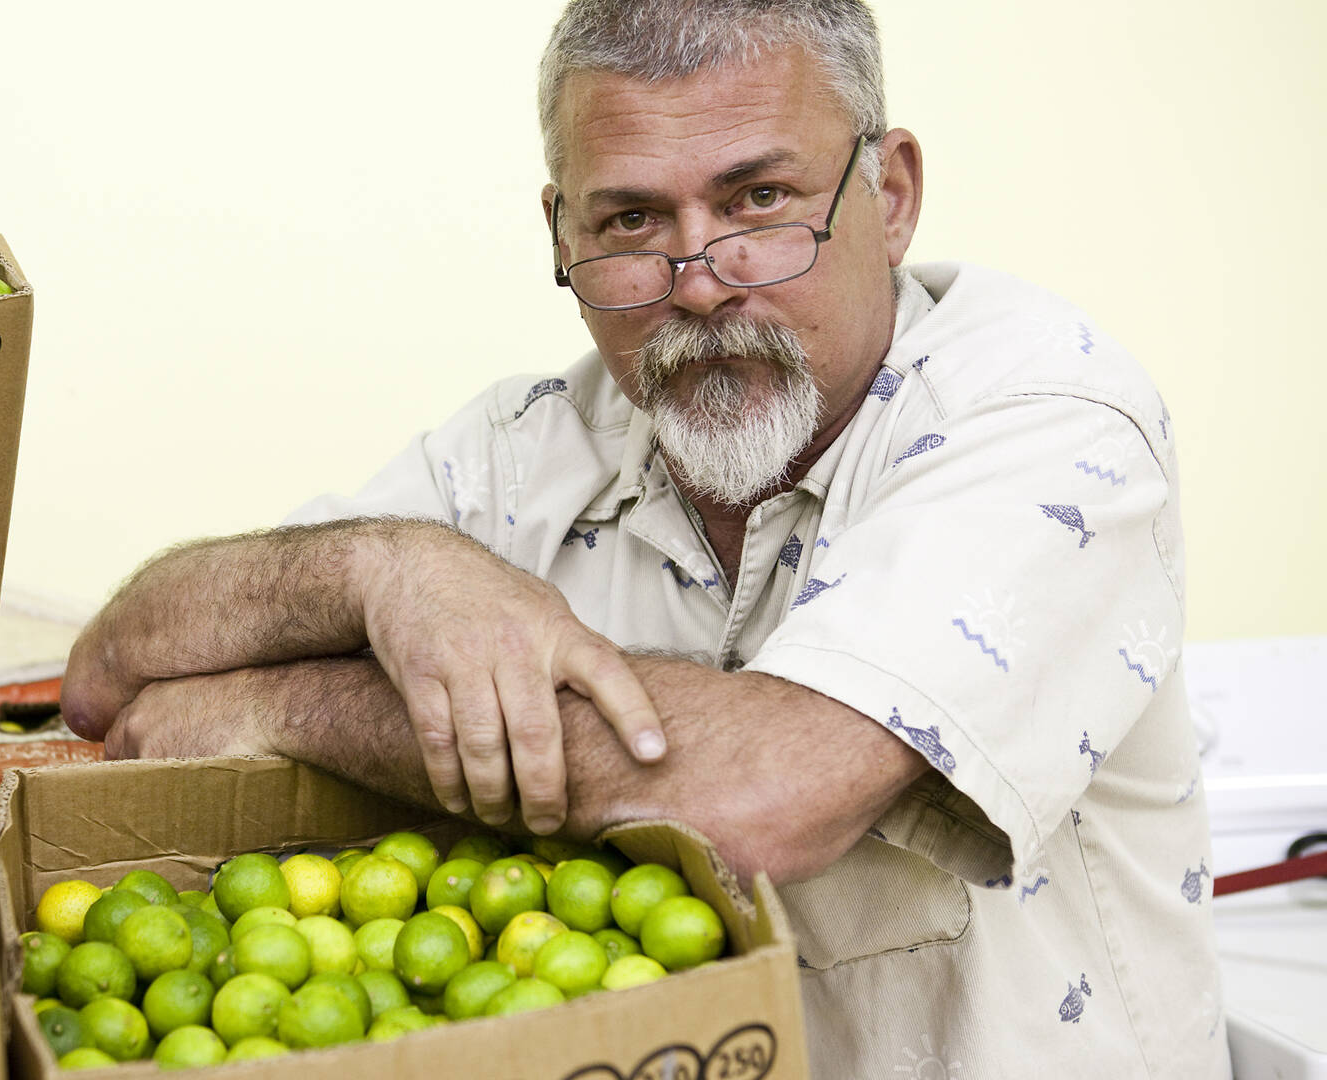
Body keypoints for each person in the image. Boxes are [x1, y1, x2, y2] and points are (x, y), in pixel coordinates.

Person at [61, 1, 1227, 1074]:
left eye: (759, 202)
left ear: (893, 193)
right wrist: (388, 567)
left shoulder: (1051, 422)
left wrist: (280, 710)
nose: (701, 283)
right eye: (631, 220)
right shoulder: (529, 446)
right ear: (560, 237)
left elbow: (767, 793)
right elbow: (115, 669)